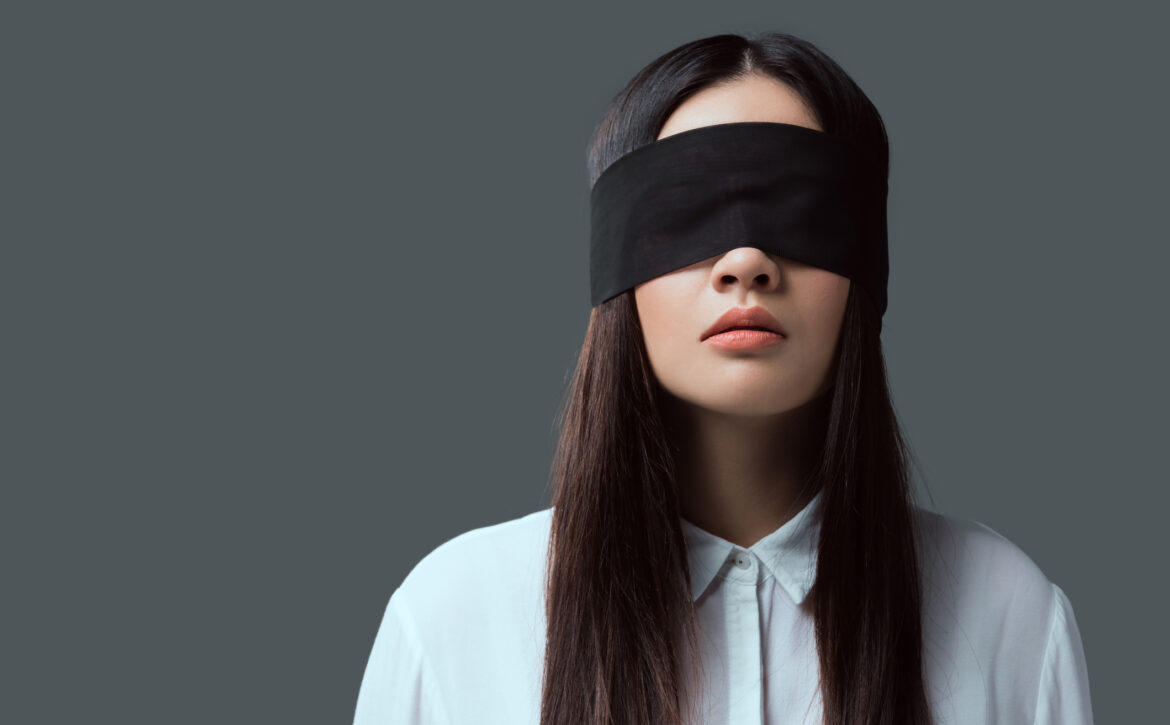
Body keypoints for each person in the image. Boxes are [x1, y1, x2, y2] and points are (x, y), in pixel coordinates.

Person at [352, 31, 1094, 725]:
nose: (745, 261)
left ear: (865, 266)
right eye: (686, 210)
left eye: (799, 207)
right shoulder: (453, 620)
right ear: (617, 270)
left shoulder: (1008, 616)